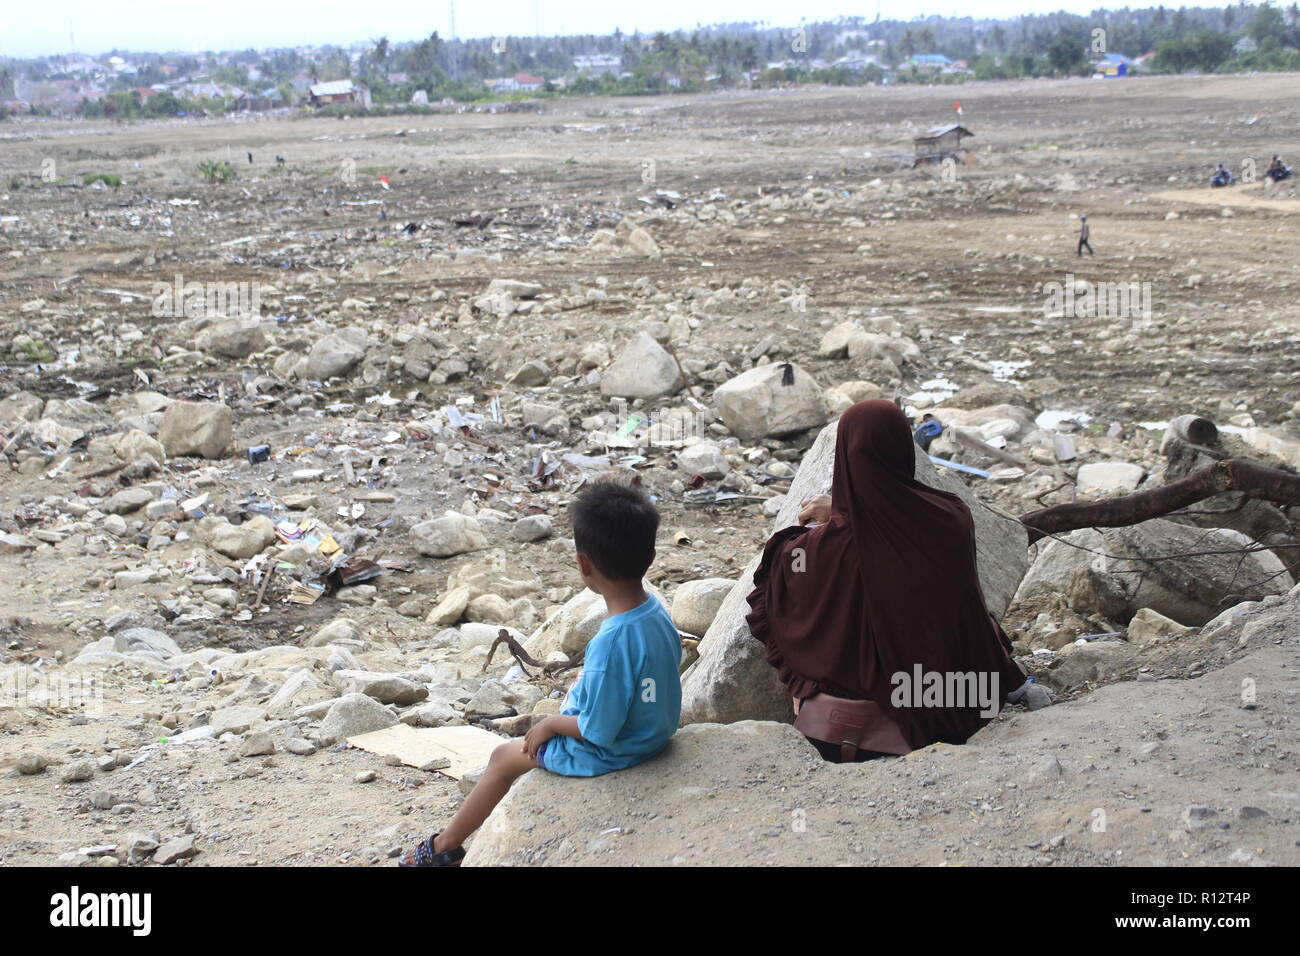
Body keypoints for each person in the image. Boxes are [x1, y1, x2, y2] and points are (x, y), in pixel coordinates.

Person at [399, 480, 682, 866]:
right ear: (650, 556)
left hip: (618, 750)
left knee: (503, 757)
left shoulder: (612, 641)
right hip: (652, 734)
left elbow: (600, 730)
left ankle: (443, 847)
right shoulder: (657, 613)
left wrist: (552, 724)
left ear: (584, 564)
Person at [745, 399, 1035, 764]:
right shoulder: (951, 519)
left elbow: (772, 582)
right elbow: (892, 531)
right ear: (903, 448)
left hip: (840, 734)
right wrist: (846, 513)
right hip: (948, 707)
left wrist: (839, 516)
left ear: (846, 458)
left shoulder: (822, 549)